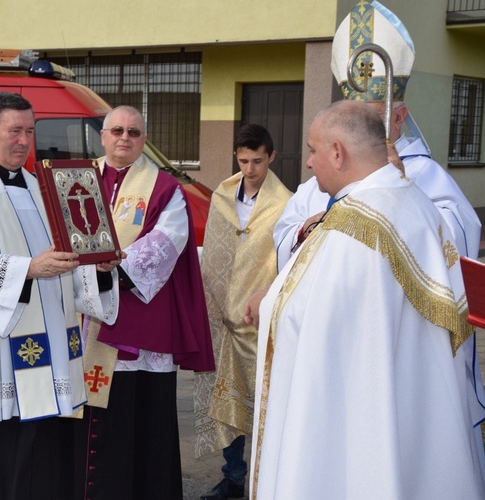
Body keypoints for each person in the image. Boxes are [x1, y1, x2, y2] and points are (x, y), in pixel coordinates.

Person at [273, 0, 485, 466]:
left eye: (373, 118)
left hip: (395, 347)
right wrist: (306, 234)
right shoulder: (319, 179)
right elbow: (286, 229)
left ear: (399, 116)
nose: (362, 130)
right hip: (330, 344)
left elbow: (460, 243)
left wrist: (403, 196)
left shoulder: (423, 178)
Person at [250, 100, 485, 498]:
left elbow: (315, 320)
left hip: (354, 408)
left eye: (313, 150)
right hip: (408, 399)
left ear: (338, 153)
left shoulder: (356, 225)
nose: (308, 162)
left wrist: (272, 305)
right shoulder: (411, 201)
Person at [0, 91, 120, 500]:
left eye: (30, 132)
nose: (24, 141)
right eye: (14, 131)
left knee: (45, 459)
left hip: (49, 349)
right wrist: (27, 269)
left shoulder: (43, 187)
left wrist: (97, 268)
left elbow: (67, 260)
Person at [75, 105, 214, 500]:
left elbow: (169, 240)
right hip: (86, 317)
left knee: (141, 419)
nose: (124, 138)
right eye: (117, 130)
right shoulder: (78, 179)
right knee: (91, 416)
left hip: (141, 319)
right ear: (102, 136)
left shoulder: (165, 188)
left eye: (134, 132)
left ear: (144, 140)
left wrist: (114, 271)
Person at [194, 124, 291, 500]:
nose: (250, 169)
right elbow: (215, 252)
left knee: (263, 400)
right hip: (221, 316)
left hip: (258, 318)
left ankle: (266, 479)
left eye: (257, 161)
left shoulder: (287, 202)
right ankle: (233, 476)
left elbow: (284, 259)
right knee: (223, 398)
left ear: (271, 157)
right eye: (243, 160)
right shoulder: (222, 194)